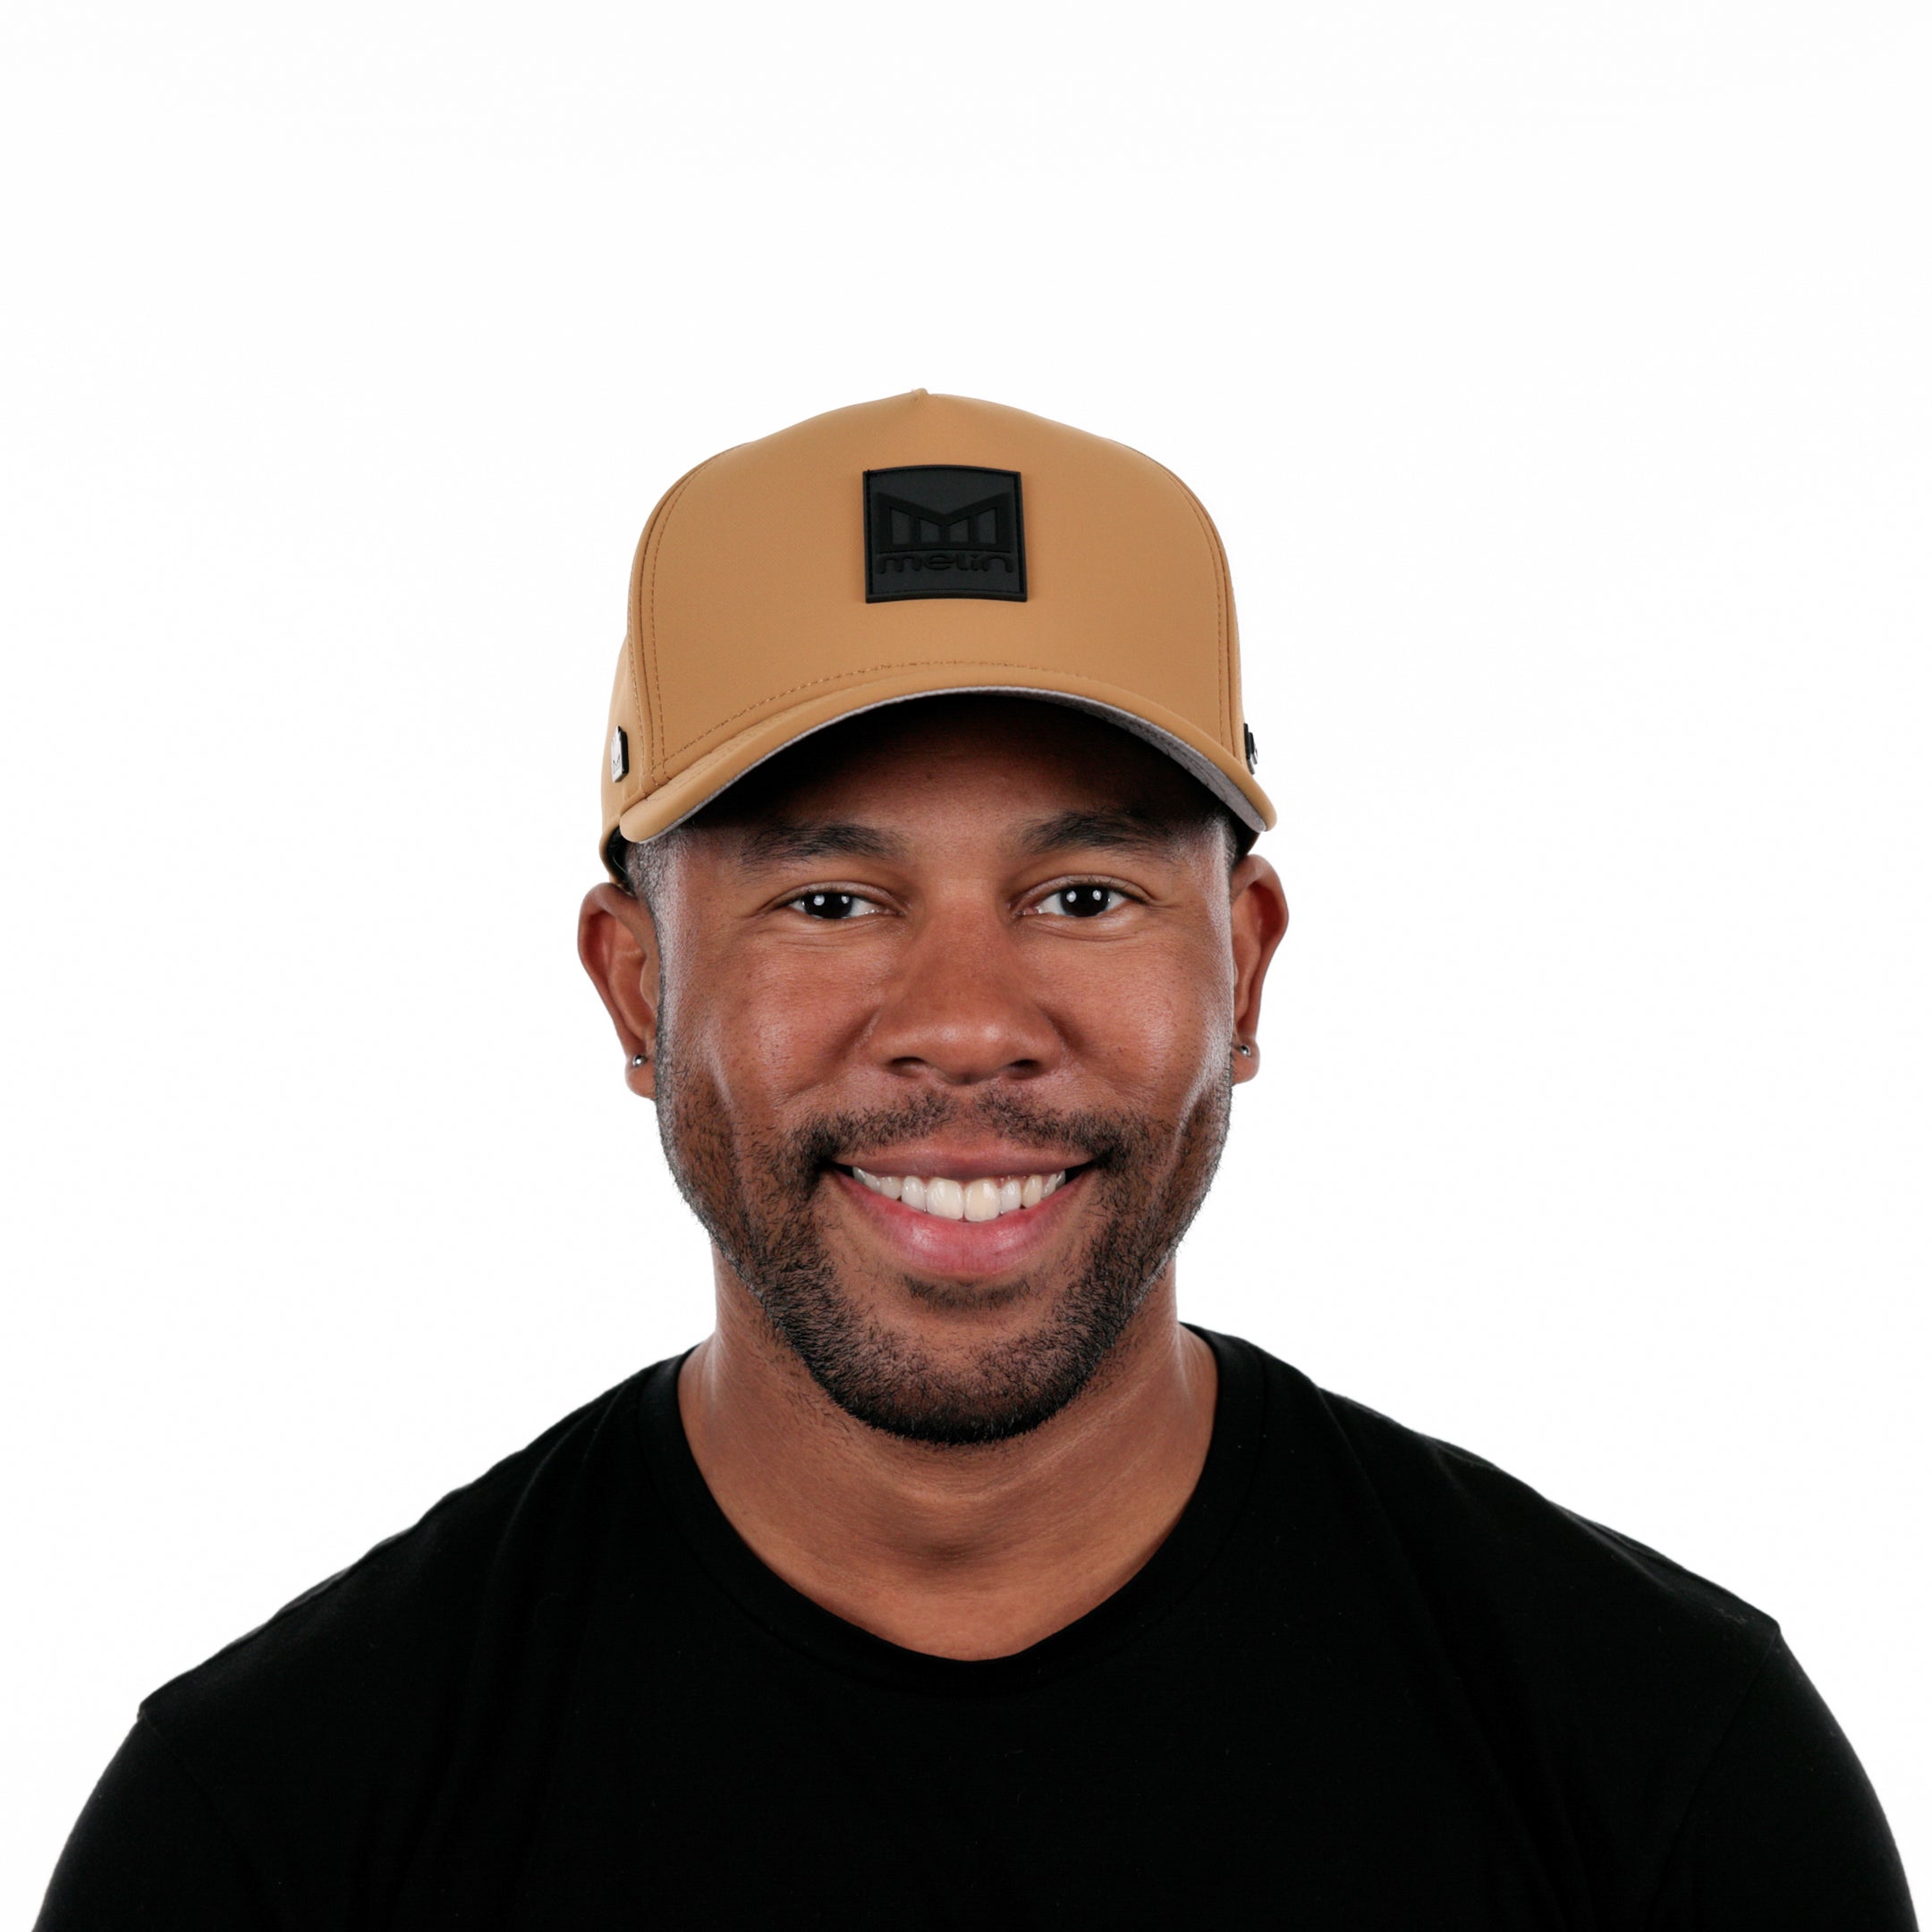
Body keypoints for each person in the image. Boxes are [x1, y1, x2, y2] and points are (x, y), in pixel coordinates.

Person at [37, 391, 1916, 1928]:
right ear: (637, 986)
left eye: (1083, 895)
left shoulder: (1661, 1772)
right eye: (831, 898)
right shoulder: (277, 1833)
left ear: (1246, 968)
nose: (964, 1022)